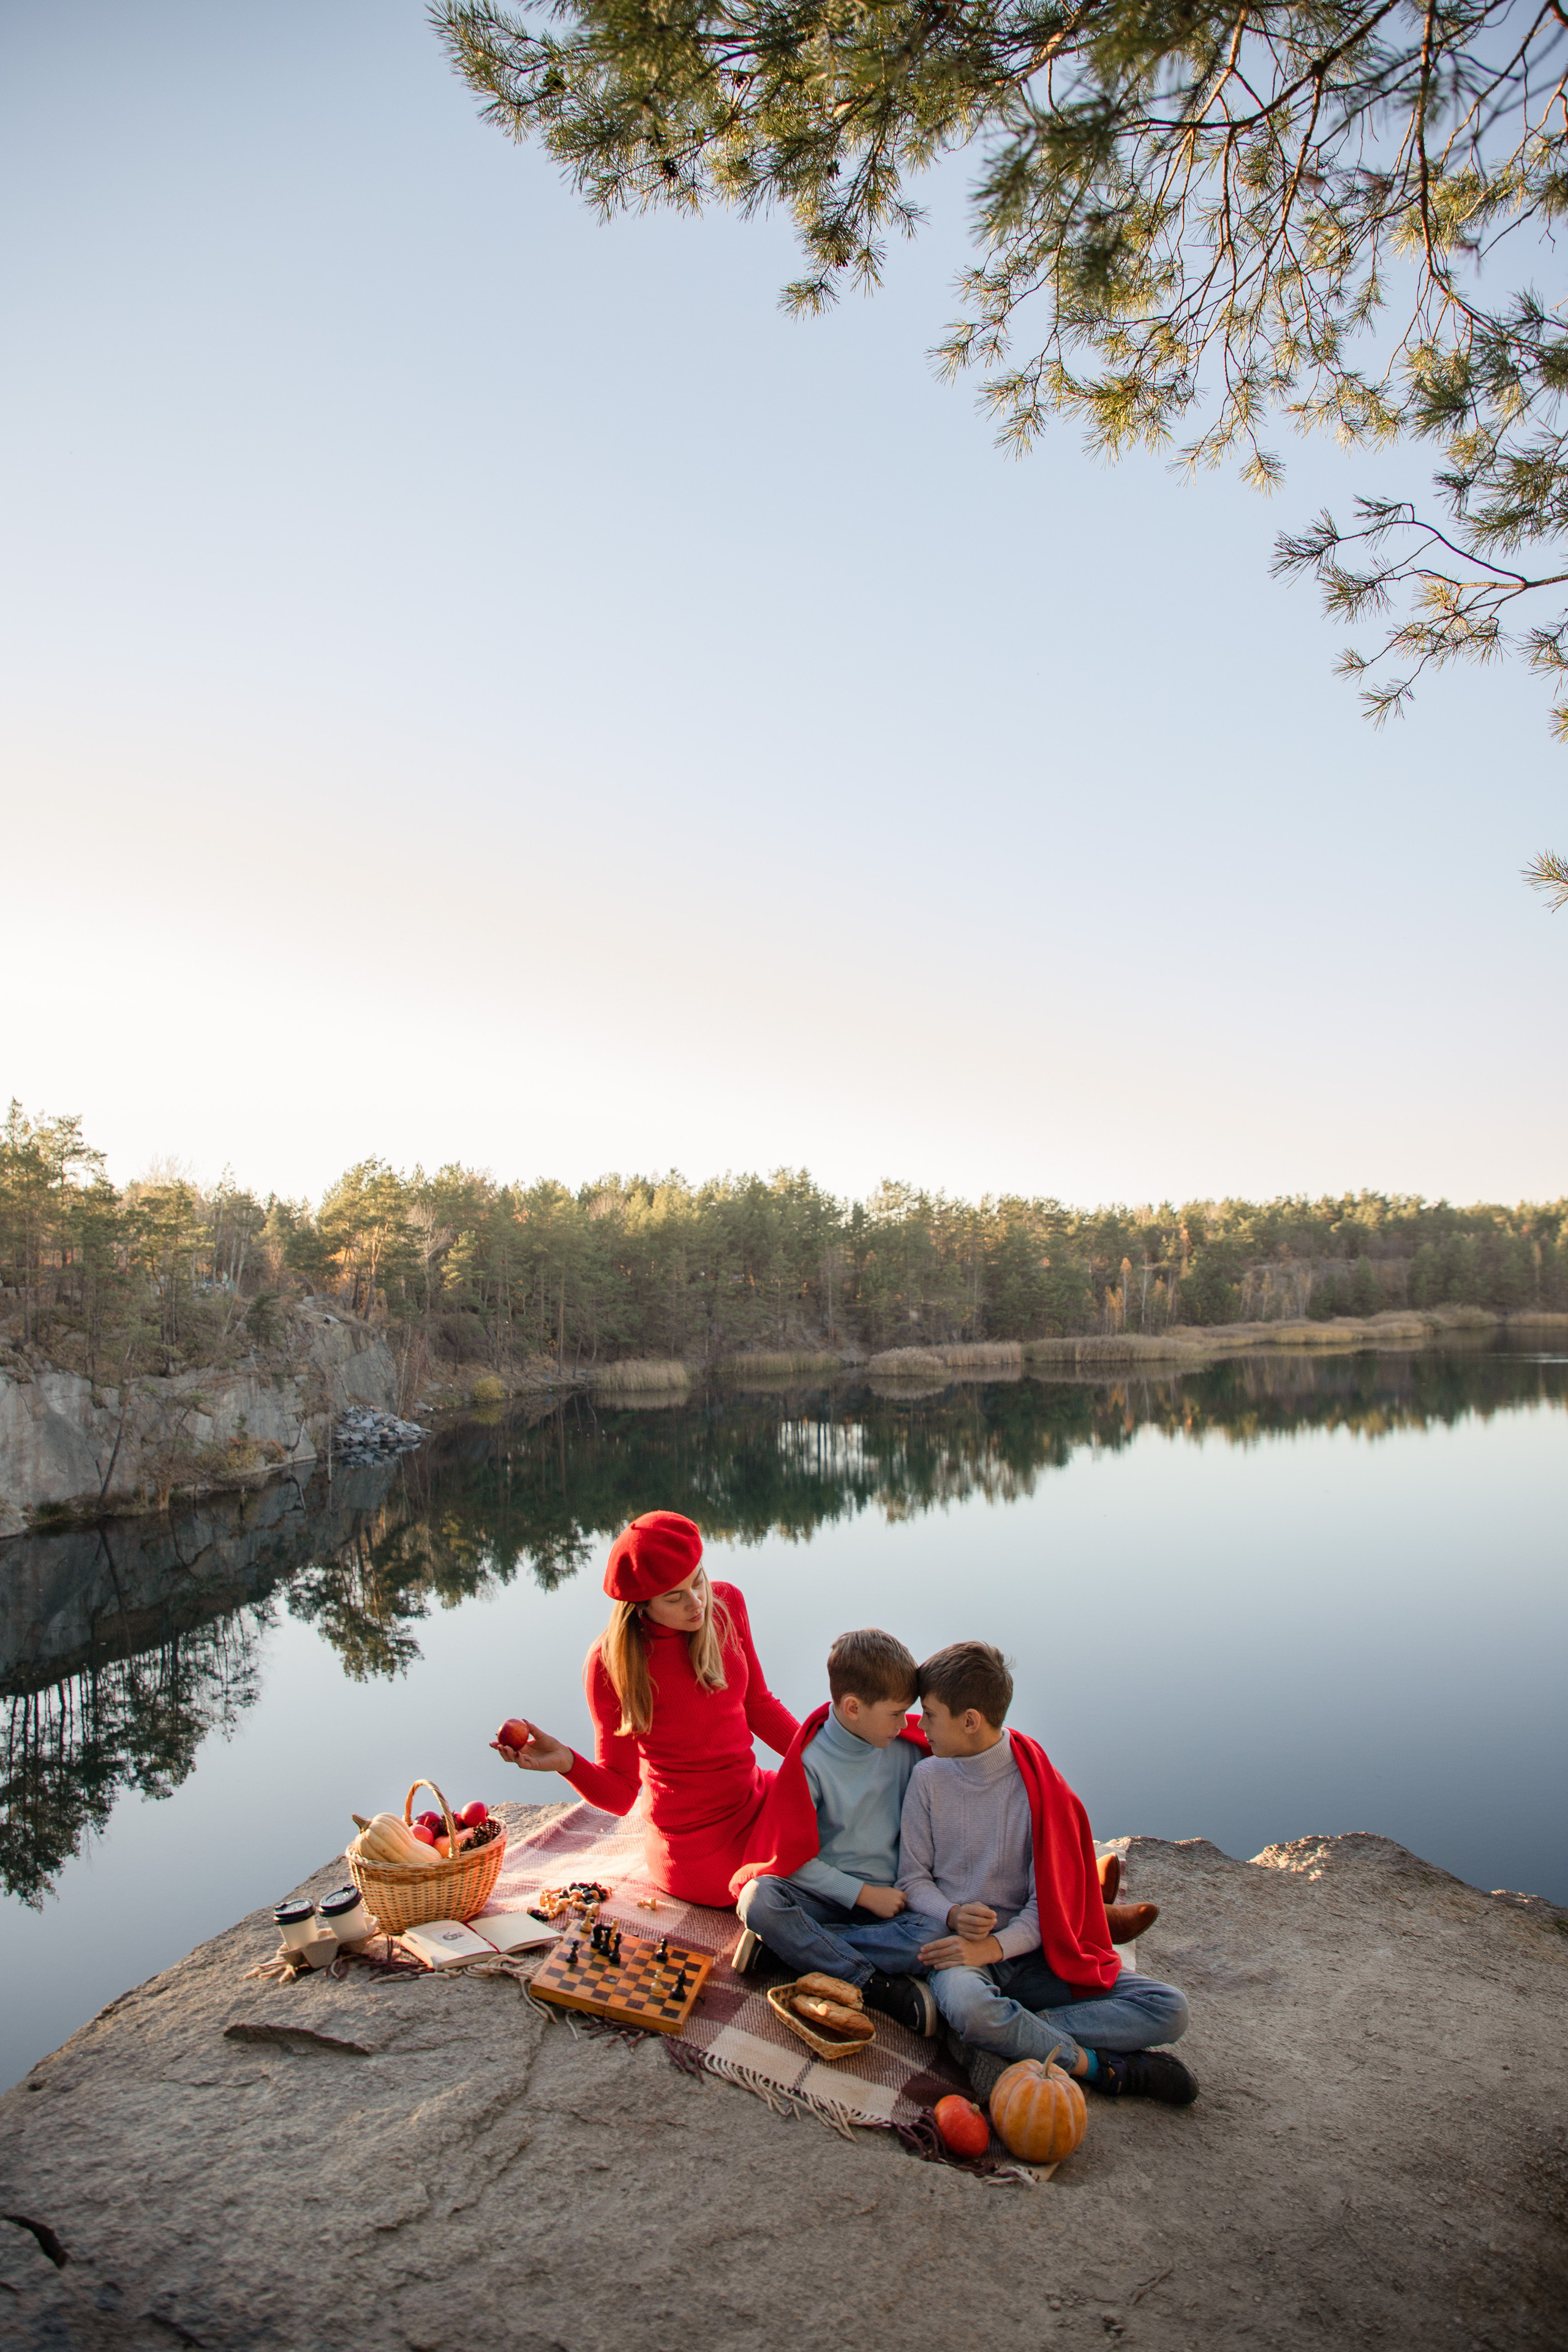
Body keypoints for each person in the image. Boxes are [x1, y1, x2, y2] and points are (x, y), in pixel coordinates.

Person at [898, 1640, 1198, 2105]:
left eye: (931, 1714)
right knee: (972, 2006)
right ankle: (1102, 2068)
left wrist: (997, 1946)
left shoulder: (1038, 1790)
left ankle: (1008, 2037)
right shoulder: (928, 1779)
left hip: (1035, 1956)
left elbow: (1047, 1907)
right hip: (962, 1955)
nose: (920, 1725)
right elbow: (912, 1881)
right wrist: (953, 1914)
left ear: (971, 1721)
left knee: (1169, 2009)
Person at [492, 1510, 799, 1907]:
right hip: (698, 1847)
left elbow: (758, 1706)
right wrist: (567, 1761)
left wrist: (829, 1755)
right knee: (811, 1872)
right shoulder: (611, 1663)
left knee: (856, 1815)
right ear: (642, 1607)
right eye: (675, 1597)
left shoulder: (727, 1603)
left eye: (698, 1581)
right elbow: (621, 1795)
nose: (697, 1603)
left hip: (755, 1797)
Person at [728, 1627, 940, 2037]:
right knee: (759, 1901)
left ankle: (787, 1949)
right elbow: (790, 1859)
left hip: (894, 1903)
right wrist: (863, 1895)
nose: (906, 1723)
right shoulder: (811, 1762)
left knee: (936, 1936)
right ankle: (875, 1987)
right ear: (853, 1707)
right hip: (826, 1896)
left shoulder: (906, 1746)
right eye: (896, 1713)